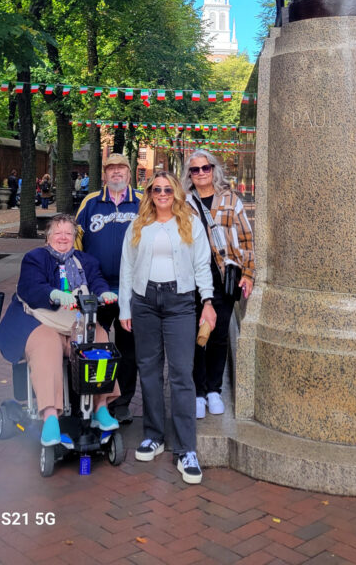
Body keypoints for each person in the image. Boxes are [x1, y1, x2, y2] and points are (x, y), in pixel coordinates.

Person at [119, 171, 216, 484]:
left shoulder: (190, 223)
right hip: (144, 301)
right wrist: (125, 307)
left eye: (167, 189)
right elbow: (126, 268)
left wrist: (208, 301)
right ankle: (154, 435)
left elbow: (202, 265)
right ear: (149, 193)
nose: (162, 194)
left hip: (180, 302)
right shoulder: (139, 225)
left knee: (181, 374)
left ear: (176, 193)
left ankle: (186, 449)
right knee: (148, 369)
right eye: (156, 189)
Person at [0, 213, 120, 446]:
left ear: (74, 237)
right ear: (48, 237)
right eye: (58, 233)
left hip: (74, 322)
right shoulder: (35, 258)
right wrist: (54, 294)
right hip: (40, 321)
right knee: (47, 345)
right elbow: (31, 286)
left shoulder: (87, 261)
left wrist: (103, 293)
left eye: (68, 233)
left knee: (99, 339)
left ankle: (100, 406)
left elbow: (97, 281)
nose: (63, 237)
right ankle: (50, 416)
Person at [181, 150, 255, 419]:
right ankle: (198, 392)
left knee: (219, 334)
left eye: (206, 168)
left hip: (225, 276)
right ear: (189, 175)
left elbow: (246, 239)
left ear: (214, 169)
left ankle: (214, 389)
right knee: (195, 335)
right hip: (192, 277)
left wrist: (248, 274)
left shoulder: (230, 199)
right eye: (195, 169)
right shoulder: (183, 202)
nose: (201, 173)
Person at [76, 153, 141, 424]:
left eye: (121, 168)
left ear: (129, 173)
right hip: (97, 288)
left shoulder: (142, 202)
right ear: (104, 174)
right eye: (111, 168)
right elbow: (76, 240)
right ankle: (96, 400)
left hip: (131, 289)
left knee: (129, 349)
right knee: (95, 346)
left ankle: (121, 402)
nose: (116, 172)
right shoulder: (91, 202)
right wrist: (80, 278)